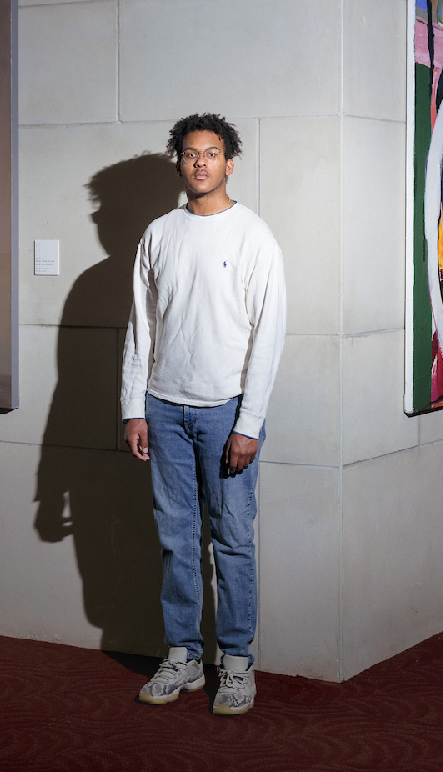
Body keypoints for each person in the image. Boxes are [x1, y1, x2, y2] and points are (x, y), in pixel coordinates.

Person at [121, 113, 286, 716]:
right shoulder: (158, 234)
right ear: (179, 162)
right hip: (163, 408)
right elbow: (142, 327)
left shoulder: (253, 236)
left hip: (227, 412)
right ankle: (185, 656)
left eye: (211, 154)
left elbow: (268, 336)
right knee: (176, 539)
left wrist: (249, 422)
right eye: (190, 154)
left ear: (229, 162)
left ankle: (237, 662)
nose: (200, 164)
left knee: (234, 540)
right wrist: (133, 407)